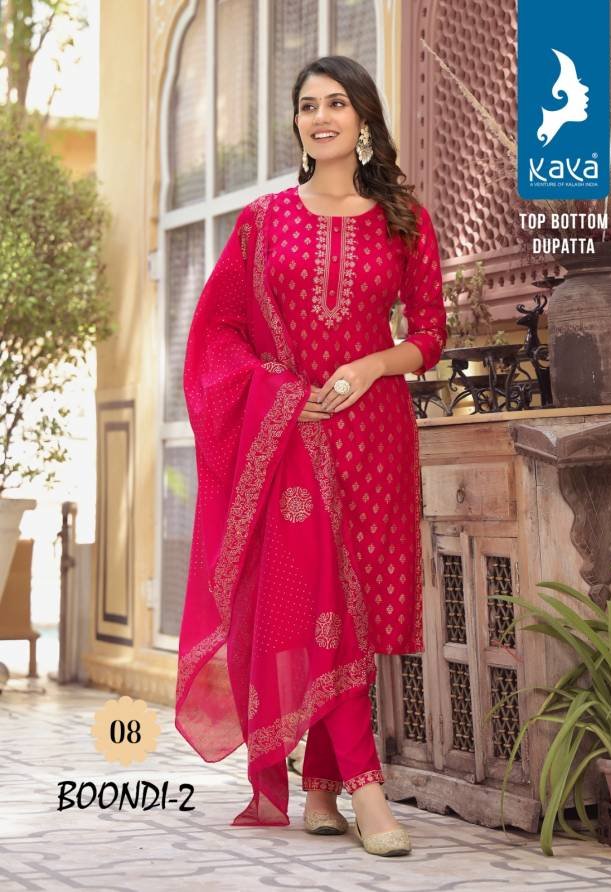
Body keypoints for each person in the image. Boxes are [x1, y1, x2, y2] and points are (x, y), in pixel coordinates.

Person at [175, 54, 446, 858]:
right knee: (320, 597)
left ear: (362, 119)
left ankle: (320, 785)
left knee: (356, 604)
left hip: (375, 437)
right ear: (296, 123)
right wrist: (280, 392)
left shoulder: (404, 221)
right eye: (306, 105)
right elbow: (217, 332)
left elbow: (430, 334)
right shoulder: (263, 221)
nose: (319, 116)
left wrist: (372, 364)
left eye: (335, 103)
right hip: (293, 437)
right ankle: (368, 791)